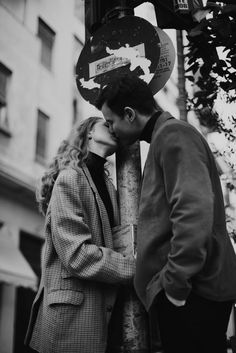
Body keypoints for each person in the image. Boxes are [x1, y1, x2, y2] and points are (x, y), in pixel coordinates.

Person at [95, 74, 236, 353]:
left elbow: (193, 210)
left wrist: (174, 285)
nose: (111, 130)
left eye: (111, 122)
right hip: (193, 289)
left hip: (194, 291)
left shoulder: (174, 134)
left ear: (129, 114)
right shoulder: (165, 136)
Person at [24, 116, 135, 353]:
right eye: (106, 124)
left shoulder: (111, 186)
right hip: (72, 320)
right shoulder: (70, 178)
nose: (113, 127)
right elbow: (77, 255)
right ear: (90, 133)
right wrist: (134, 268)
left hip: (106, 314)